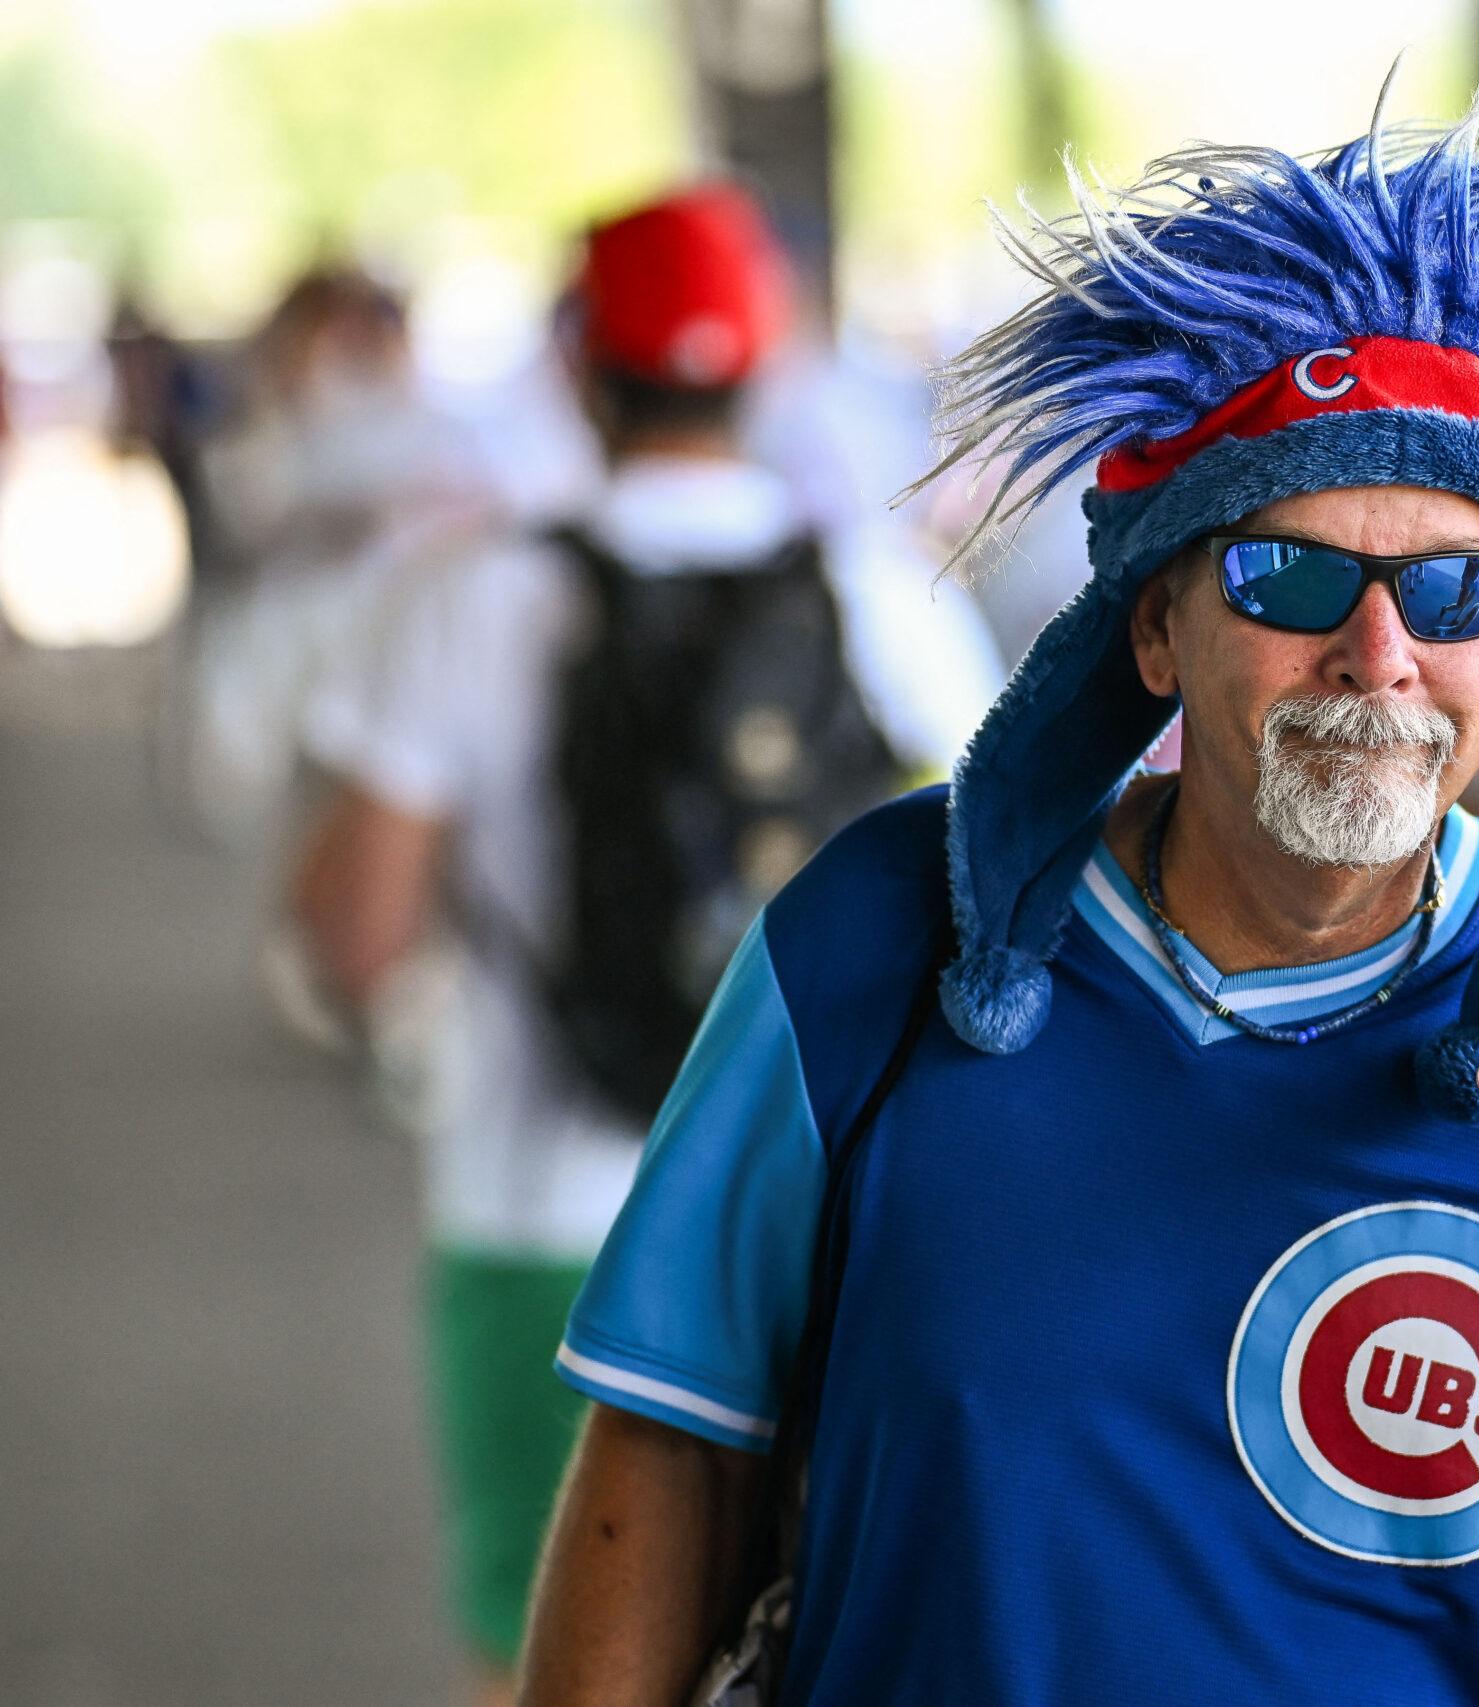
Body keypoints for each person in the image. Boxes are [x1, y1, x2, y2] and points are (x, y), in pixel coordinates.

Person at [516, 78, 1479, 1707]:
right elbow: (671, 1449)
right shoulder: (879, 943)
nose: (1381, 653)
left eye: (1457, 587)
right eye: (1294, 571)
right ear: (1153, 625)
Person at [290, 184, 1001, 1706]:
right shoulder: (874, 595)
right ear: (760, 368)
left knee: (546, 1654)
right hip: (833, 1218)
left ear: (582, 371)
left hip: (536, 1211)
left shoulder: (466, 594)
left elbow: (353, 933)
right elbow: (1016, 883)